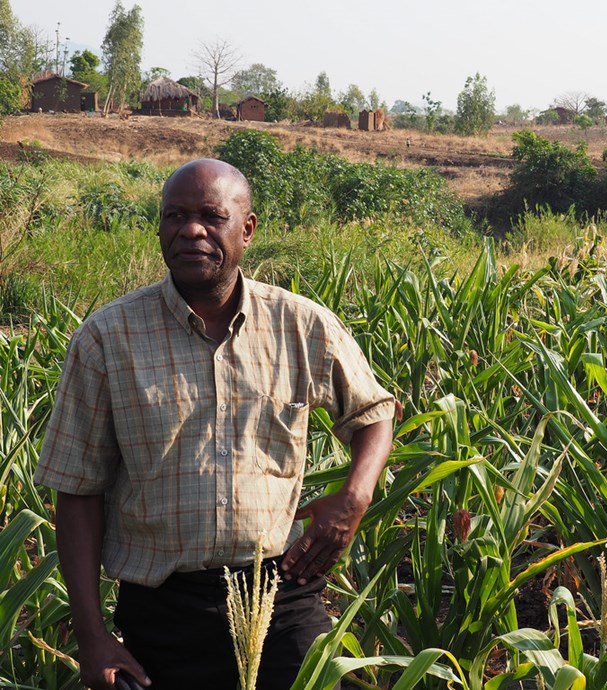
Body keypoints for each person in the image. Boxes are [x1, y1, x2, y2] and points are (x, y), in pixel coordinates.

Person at [35, 158, 395, 690]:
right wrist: (92, 635)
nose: (190, 230)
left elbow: (374, 413)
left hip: (280, 593)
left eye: (211, 215)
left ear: (246, 229)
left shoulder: (302, 324)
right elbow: (77, 491)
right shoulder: (106, 339)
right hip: (163, 610)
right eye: (174, 216)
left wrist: (354, 499)